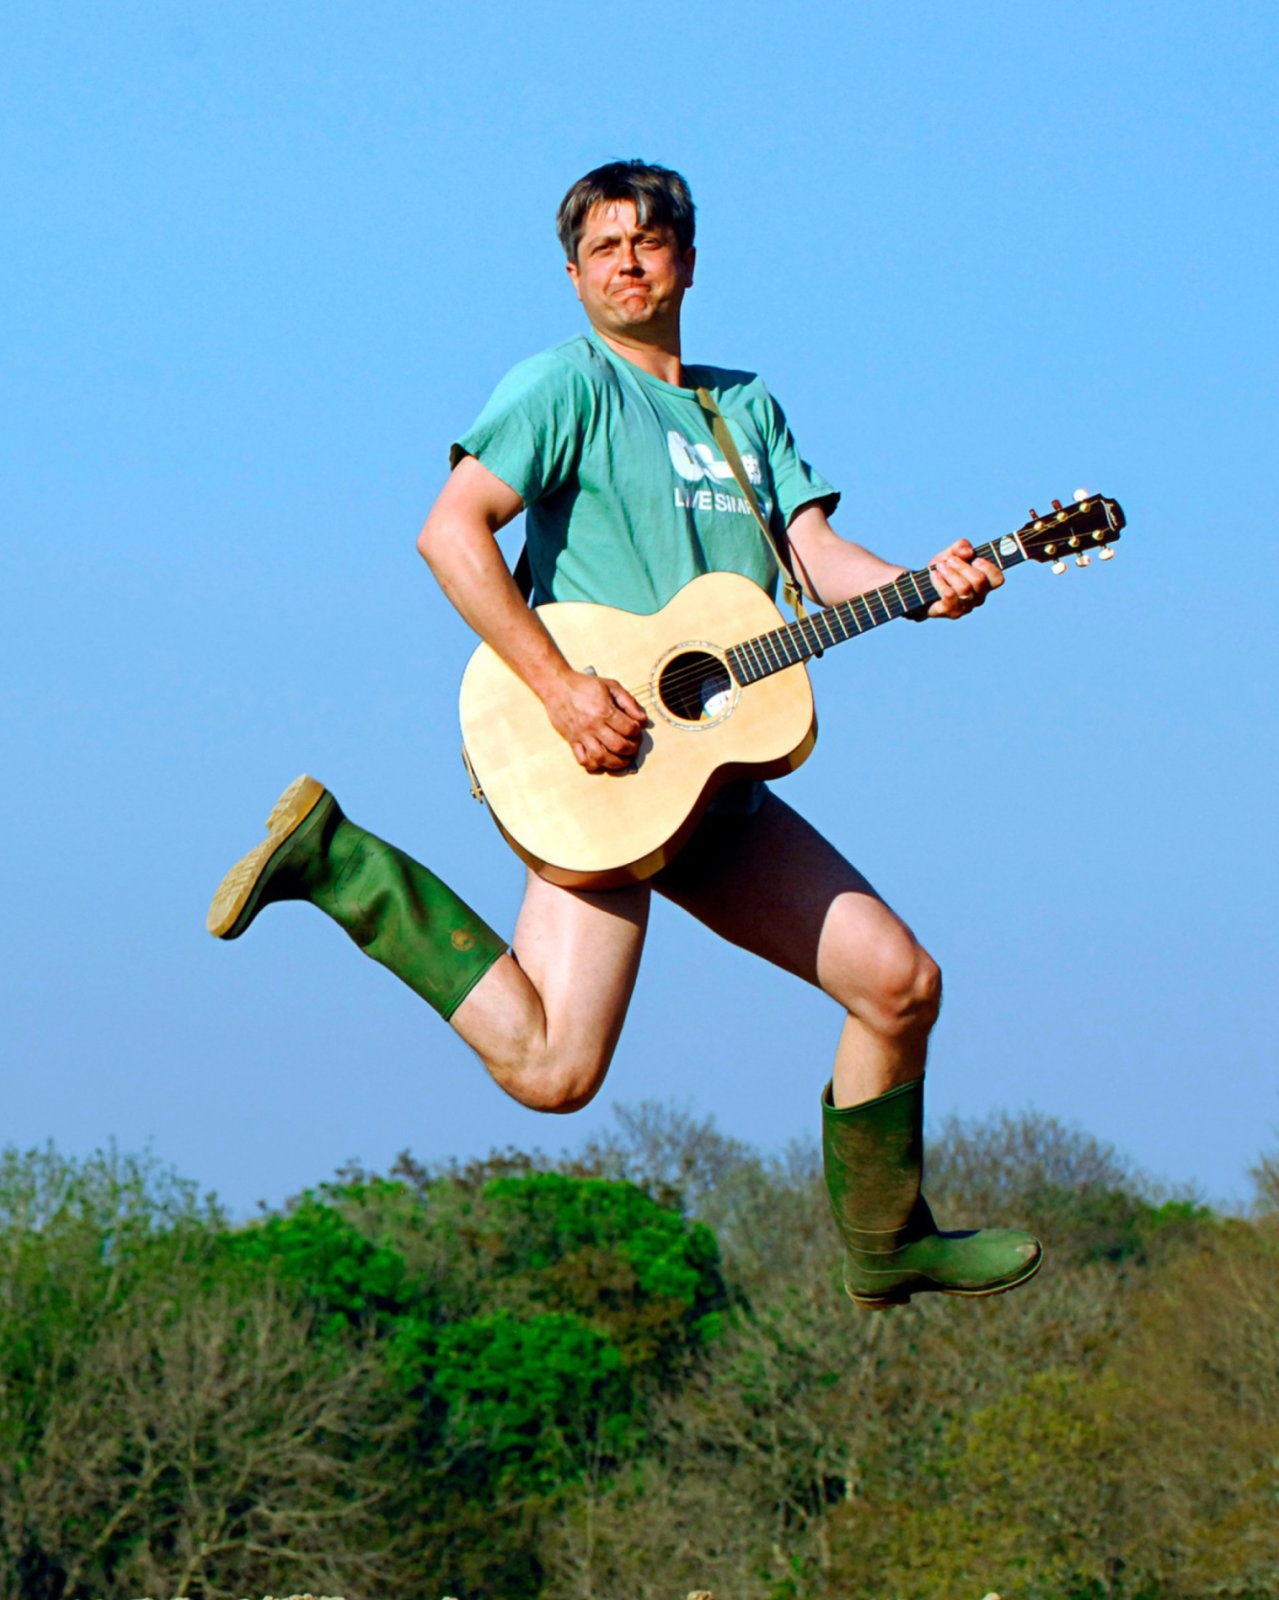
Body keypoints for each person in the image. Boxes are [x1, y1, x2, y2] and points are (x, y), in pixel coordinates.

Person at [207, 160, 1039, 1310]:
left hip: (716, 781)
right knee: (555, 1072)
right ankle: (345, 866)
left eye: (650, 242)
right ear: (574, 273)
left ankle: (886, 1241)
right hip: (597, 759)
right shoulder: (562, 387)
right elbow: (450, 535)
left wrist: (919, 584)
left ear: (688, 262)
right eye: (606, 248)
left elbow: (812, 559)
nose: (630, 262)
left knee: (898, 985)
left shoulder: (742, 408)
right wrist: (556, 688)